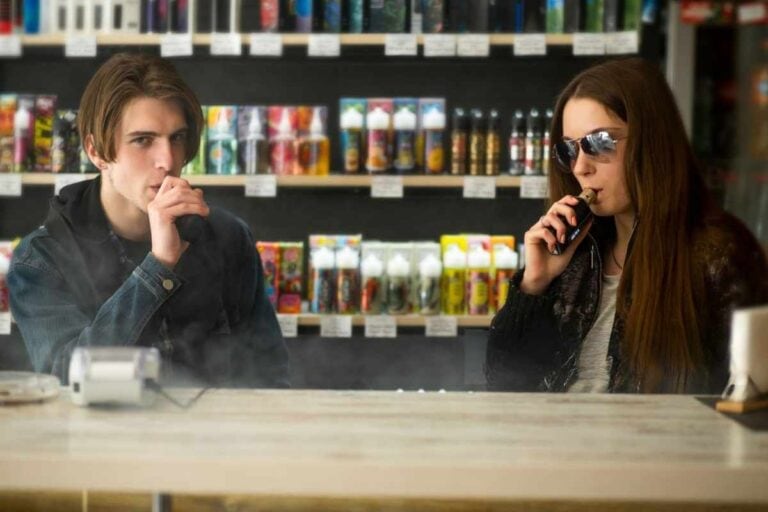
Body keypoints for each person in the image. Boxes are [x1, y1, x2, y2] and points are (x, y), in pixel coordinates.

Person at [485, 57, 768, 394]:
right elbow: (504, 385)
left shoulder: (718, 255)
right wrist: (534, 285)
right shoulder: (575, 252)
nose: (580, 167)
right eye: (569, 149)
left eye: (600, 143)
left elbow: (748, 396)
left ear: (652, 141)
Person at [8, 53, 289, 388]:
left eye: (177, 138)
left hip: (215, 424)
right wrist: (159, 266)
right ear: (96, 152)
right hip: (101, 426)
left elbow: (270, 377)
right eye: (143, 140)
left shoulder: (228, 237)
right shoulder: (41, 258)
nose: (167, 160)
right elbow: (68, 377)